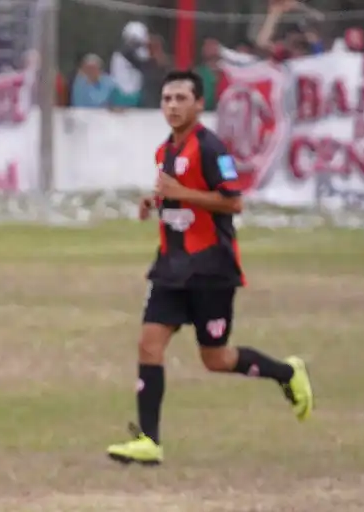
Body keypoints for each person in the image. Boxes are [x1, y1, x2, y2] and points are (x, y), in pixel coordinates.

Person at [107, 70, 313, 466]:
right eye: (167, 98)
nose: (172, 105)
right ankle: (149, 440)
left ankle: (287, 373)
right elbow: (177, 198)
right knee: (149, 343)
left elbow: (233, 202)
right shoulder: (165, 150)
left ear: (199, 104)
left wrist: (180, 193)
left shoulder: (211, 148)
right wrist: (156, 202)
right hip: (170, 266)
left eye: (181, 98)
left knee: (214, 358)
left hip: (210, 269)